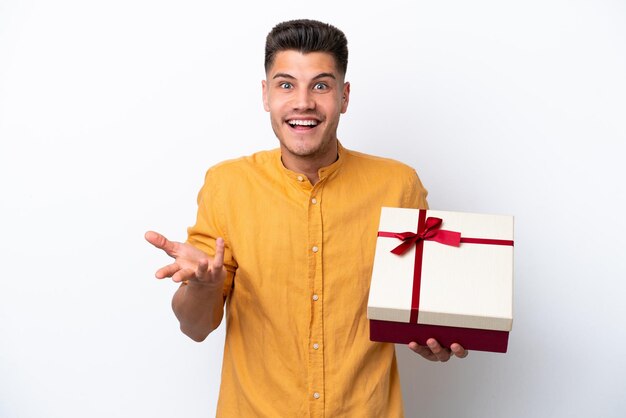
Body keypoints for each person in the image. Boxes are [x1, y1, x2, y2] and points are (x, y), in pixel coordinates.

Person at [145, 19, 467, 417]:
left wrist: (439, 338)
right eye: (285, 85)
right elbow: (194, 328)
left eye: (320, 85)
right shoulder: (226, 185)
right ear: (265, 95)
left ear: (344, 96)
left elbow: (427, 304)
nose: (303, 102)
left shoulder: (398, 186)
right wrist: (204, 287)